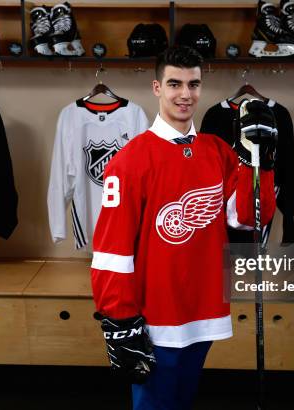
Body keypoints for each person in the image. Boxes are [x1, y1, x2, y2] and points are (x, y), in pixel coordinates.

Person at [91, 46, 276, 410]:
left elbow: (248, 217)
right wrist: (119, 317)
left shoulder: (218, 150)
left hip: (203, 305)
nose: (185, 94)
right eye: (175, 83)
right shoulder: (130, 161)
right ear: (157, 87)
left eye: (194, 84)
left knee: (183, 400)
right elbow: (112, 250)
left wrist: (262, 163)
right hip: (156, 312)